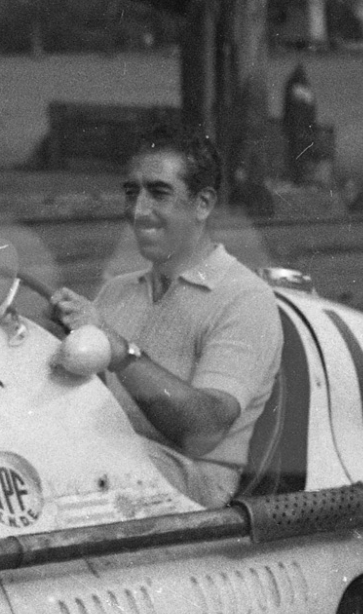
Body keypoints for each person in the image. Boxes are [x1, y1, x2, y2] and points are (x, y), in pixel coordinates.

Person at [52, 122, 285, 507]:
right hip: (112, 475)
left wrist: (120, 352)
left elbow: (205, 429)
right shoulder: (118, 291)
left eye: (158, 193)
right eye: (132, 193)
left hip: (195, 498)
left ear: (203, 204)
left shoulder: (245, 298)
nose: (139, 212)